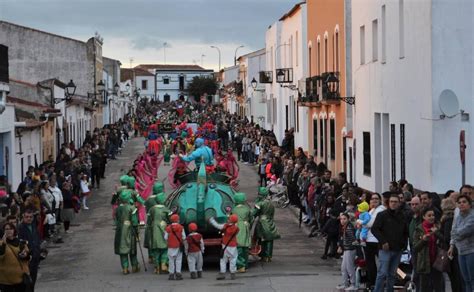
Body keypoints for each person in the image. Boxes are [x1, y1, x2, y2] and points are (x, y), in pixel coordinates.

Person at [371, 194, 409, 292]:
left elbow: (405, 232)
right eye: (391, 201)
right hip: (385, 249)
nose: (393, 204)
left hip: (397, 249)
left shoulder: (402, 216)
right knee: (382, 273)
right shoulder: (382, 215)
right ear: (388, 203)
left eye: (395, 202)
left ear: (399, 203)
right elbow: (375, 229)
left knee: (392, 274)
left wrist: (404, 244)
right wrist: (383, 241)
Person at [413, 207, 445, 291]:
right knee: (425, 287)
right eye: (429, 215)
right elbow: (415, 247)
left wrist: (436, 232)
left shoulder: (438, 227)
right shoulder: (418, 229)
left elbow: (444, 240)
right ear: (424, 217)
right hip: (424, 262)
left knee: (439, 286)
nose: (432, 217)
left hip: (437, 261)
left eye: (433, 215)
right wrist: (423, 240)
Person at [449, 194, 474, 292]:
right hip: (461, 251)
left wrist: (456, 233)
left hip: (471, 251)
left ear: (469, 204)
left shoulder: (472, 217)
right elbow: (453, 231)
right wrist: (452, 244)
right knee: (466, 280)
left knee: (472, 280)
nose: (461, 204)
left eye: (464, 202)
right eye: (459, 202)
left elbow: (464, 231)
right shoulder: (458, 217)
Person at [439, 198, 463, 292]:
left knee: (454, 277)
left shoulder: (448, 219)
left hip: (450, 252)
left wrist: (436, 232)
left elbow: (447, 238)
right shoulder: (454, 218)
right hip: (453, 251)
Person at [114, 190, 139, 275]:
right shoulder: (132, 208)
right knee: (132, 249)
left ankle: (125, 267)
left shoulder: (118, 209)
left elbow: (116, 220)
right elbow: (135, 222)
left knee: (123, 249)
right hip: (130, 230)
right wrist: (137, 232)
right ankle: (135, 266)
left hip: (120, 230)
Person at [252, 187, 281, 262]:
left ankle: (262, 254)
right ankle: (268, 256)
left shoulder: (260, 203)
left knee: (261, 238)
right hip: (270, 221)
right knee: (269, 239)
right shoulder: (271, 203)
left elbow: (254, 213)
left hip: (262, 222)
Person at [0, 223, 31, 292]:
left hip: (21, 279)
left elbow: (28, 258)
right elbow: (1, 256)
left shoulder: (21, 242)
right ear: (3, 231)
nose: (9, 231)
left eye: (11, 229)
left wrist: (25, 255)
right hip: (6, 282)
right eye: (6, 229)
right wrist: (4, 244)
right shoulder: (1, 244)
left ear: (14, 230)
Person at [209, 214, 240, 280]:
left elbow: (217, 226)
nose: (228, 219)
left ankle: (222, 273)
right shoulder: (236, 228)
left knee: (223, 260)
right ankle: (233, 273)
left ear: (230, 220)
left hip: (225, 245)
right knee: (233, 259)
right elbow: (236, 231)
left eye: (229, 218)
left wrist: (211, 220)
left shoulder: (225, 226)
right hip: (233, 246)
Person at [365, 193, 386, 288]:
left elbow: (370, 223)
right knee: (370, 263)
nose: (374, 200)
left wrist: (364, 223)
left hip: (377, 240)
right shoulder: (371, 210)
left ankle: (380, 282)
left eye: (376, 198)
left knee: (381, 263)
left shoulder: (381, 210)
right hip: (369, 240)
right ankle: (372, 281)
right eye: (372, 199)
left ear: (380, 200)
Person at [17, 209, 41, 288]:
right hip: (27, 259)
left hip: (35, 257)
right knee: (27, 283)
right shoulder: (20, 228)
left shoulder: (34, 226)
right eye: (27, 217)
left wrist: (39, 251)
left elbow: (37, 239)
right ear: (23, 217)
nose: (29, 218)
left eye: (30, 217)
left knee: (33, 281)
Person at [148, 193, 170, 275]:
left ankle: (157, 267)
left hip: (154, 230)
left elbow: (149, 221)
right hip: (164, 230)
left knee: (156, 250)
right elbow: (170, 219)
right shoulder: (166, 209)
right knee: (165, 248)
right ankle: (164, 264)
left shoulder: (152, 209)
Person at [232, 192, 253, 273]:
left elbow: (229, 218)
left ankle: (240, 265)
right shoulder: (247, 209)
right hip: (245, 227)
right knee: (245, 247)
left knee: (238, 247)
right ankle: (245, 264)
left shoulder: (233, 209)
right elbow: (251, 218)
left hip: (236, 227)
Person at [336, 212, 357, 290]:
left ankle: (353, 284)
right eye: (341, 219)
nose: (342, 220)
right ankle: (345, 283)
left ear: (348, 219)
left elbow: (353, 239)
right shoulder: (345, 227)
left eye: (344, 219)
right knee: (343, 267)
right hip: (346, 249)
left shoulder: (349, 228)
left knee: (349, 267)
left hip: (350, 249)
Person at [164, 214, 186, 280]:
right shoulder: (181, 227)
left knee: (171, 261)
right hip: (178, 246)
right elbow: (184, 237)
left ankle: (171, 274)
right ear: (178, 220)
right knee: (178, 260)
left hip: (170, 247)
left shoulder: (168, 228)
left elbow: (165, 238)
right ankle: (178, 273)